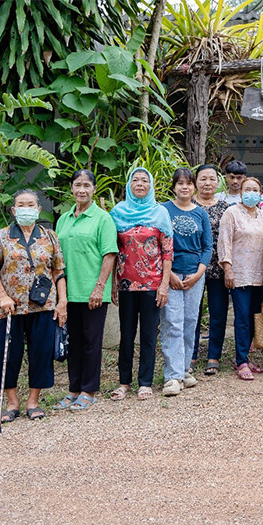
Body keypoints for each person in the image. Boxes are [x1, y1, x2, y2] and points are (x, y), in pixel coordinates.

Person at [0, 189, 67, 421]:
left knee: (40, 353)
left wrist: (62, 302)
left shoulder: (49, 236)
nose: (26, 208)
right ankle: (12, 403)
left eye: (31, 205)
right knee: (7, 354)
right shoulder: (1, 237)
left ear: (38, 210)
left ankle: (33, 401)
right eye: (21, 204)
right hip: (10, 308)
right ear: (13, 210)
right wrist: (2, 297)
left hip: (43, 306)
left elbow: (58, 270)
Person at [54, 170, 118, 411]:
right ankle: (73, 390)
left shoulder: (102, 219)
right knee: (74, 343)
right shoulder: (64, 219)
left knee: (91, 342)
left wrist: (99, 287)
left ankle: (88, 390)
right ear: (71, 188)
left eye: (87, 185)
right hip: (67, 292)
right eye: (77, 185)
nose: (82, 189)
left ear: (94, 189)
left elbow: (109, 254)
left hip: (93, 292)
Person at [110, 168, 173, 401]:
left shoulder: (160, 213)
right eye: (135, 180)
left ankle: (145, 382)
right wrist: (113, 284)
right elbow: (112, 251)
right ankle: (124, 382)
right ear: (129, 185)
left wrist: (164, 285)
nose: (139, 184)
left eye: (144, 180)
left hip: (152, 285)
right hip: (126, 285)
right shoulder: (117, 212)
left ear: (151, 185)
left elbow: (167, 252)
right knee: (126, 334)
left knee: (148, 335)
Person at [159, 168, 212, 396]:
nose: (184, 187)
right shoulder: (163, 210)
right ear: (174, 186)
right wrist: (168, 274)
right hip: (171, 274)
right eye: (180, 183)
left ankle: (184, 369)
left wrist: (199, 274)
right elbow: (158, 243)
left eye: (188, 183)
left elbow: (207, 247)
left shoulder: (201, 214)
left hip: (194, 276)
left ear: (194, 187)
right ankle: (172, 376)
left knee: (190, 322)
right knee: (172, 322)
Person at [218, 177, 263, 380]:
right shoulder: (231, 213)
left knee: (252, 317)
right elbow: (224, 243)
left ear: (260, 193)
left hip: (259, 274)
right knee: (241, 319)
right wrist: (227, 269)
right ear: (240, 192)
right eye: (247, 189)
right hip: (239, 274)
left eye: (255, 189)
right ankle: (241, 361)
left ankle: (245, 357)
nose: (251, 192)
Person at [192, 164, 231, 375]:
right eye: (203, 179)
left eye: (212, 179)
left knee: (218, 312)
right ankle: (191, 354)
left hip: (218, 267)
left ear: (218, 182)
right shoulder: (187, 205)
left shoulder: (226, 208)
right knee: (192, 313)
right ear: (195, 182)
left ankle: (213, 355)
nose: (208, 183)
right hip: (190, 269)